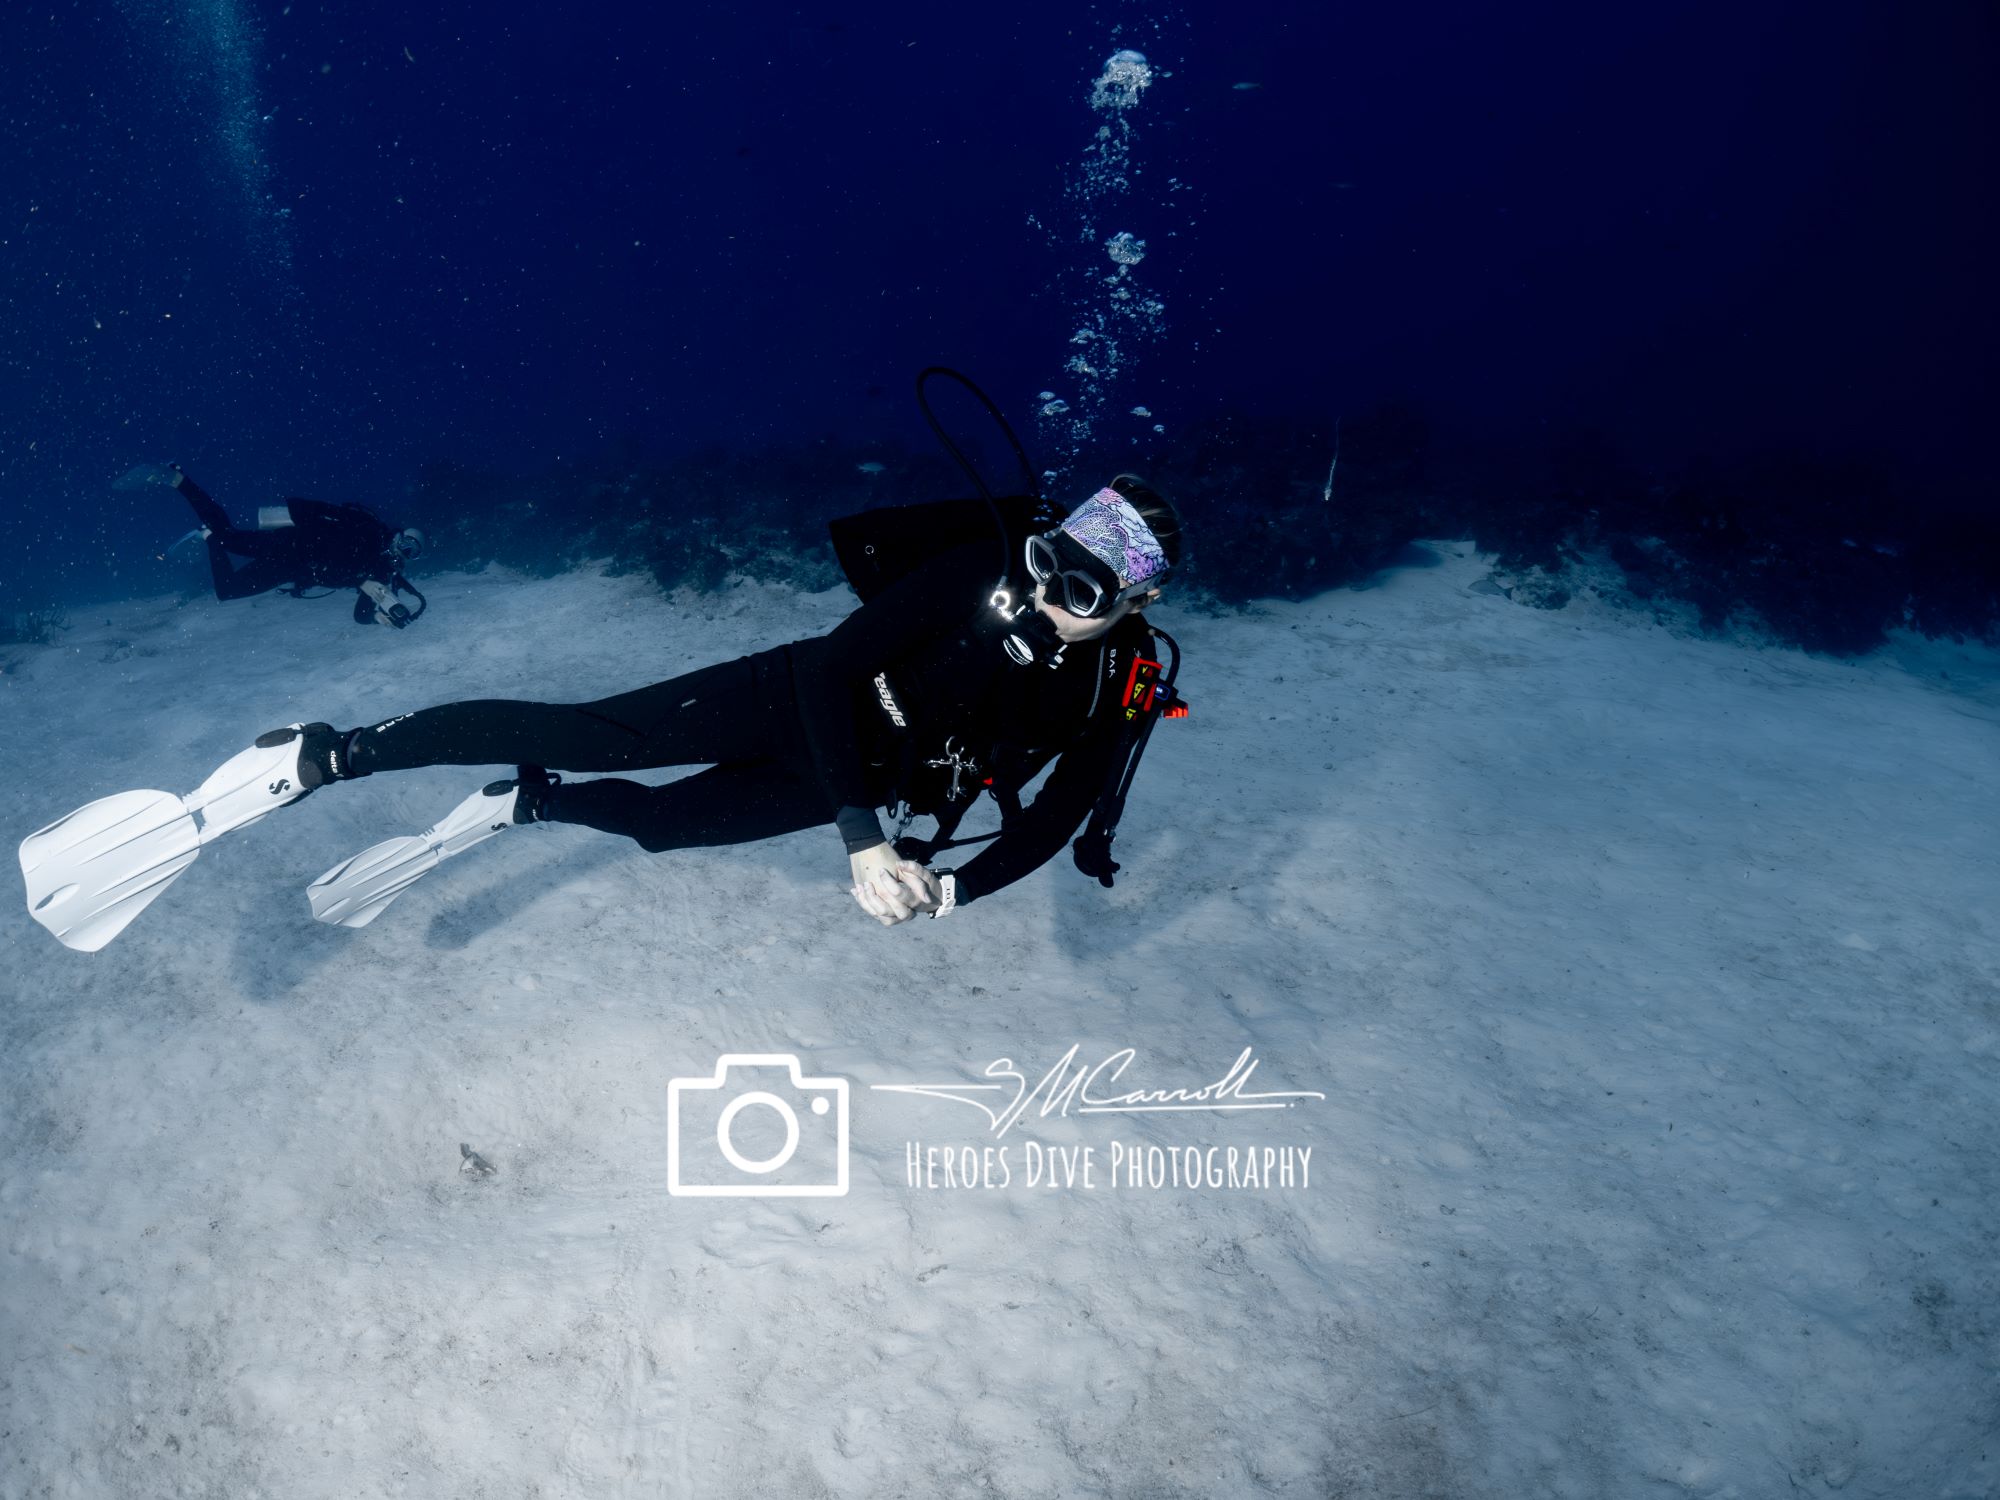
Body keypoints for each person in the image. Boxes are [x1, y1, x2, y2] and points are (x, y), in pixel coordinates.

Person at [20, 477, 1184, 950]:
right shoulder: (977, 573)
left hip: (868, 784)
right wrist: (860, 837)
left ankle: (523, 807)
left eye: (1082, 596)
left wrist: (951, 887)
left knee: (662, 827)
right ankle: (331, 753)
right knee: (587, 731)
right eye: (1047, 564)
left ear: (1132, 607)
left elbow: (1055, 816)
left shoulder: (1112, 686)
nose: (1045, 597)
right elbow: (836, 670)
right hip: (799, 701)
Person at [167, 465, 429, 628]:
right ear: (399, 534)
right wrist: (361, 580)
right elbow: (331, 554)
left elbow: (360, 615)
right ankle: (181, 481)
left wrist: (377, 618)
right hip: (289, 543)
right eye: (406, 543)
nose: (404, 551)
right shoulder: (369, 531)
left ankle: (208, 536)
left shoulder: (382, 573)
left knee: (227, 590)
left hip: (289, 569)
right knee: (228, 536)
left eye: (412, 552)